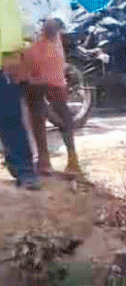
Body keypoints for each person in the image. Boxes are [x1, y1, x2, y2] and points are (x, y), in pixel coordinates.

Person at [22, 17, 79, 176]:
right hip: (33, 54)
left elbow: (53, 24)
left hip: (41, 54)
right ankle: (49, 160)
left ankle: (56, 159)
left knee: (49, 110)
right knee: (42, 110)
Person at [1, 0, 40, 189]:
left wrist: (20, 52)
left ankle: (24, 170)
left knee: (10, 116)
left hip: (6, 62)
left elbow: (27, 22)